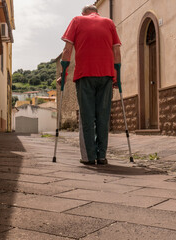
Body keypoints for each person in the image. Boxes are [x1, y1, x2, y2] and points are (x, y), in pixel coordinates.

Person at [58, 5, 121, 165]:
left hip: (85, 75)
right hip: (106, 75)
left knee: (87, 117)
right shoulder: (109, 23)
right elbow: (117, 52)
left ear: (83, 13)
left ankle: (88, 157)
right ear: (96, 12)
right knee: (103, 116)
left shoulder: (77, 20)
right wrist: (117, 78)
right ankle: (101, 156)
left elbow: (67, 50)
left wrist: (63, 75)